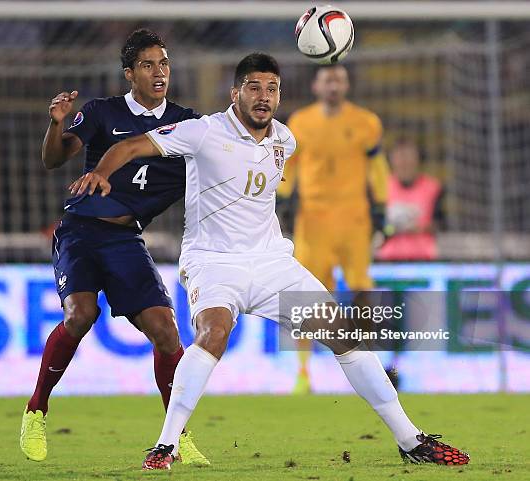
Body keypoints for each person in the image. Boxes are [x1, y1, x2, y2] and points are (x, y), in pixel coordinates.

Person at [69, 53, 469, 470]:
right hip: (214, 262)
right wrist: (101, 173)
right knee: (214, 332)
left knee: (343, 332)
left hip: (271, 264)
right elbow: (131, 144)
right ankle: (166, 445)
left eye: (272, 88)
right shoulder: (203, 131)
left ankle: (410, 439)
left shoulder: (285, 140)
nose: (264, 97)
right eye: (254, 88)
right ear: (235, 93)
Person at [20, 29, 209, 466]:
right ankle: (36, 410)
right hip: (81, 230)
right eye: (148, 65)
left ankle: (176, 435)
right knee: (80, 314)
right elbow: (53, 159)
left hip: (126, 238)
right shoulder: (102, 112)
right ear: (130, 74)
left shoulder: (187, 122)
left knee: (166, 331)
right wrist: (55, 124)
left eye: (163, 63)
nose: (159, 72)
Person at [277, 64, 390, 394]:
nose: (334, 85)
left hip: (354, 219)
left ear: (347, 85)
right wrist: (283, 201)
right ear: (316, 85)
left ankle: (367, 367)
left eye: (339, 79)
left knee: (360, 290)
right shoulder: (300, 122)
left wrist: (382, 207)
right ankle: (302, 372)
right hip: (312, 221)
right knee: (307, 296)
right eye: (328, 79)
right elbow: (289, 166)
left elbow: (377, 167)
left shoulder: (366, 122)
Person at [377, 138, 444, 261]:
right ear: (392, 161)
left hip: (424, 259)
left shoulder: (433, 188)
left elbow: (441, 224)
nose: (404, 162)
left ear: (417, 159)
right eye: (399, 157)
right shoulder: (382, 188)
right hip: (388, 260)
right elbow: (377, 225)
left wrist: (417, 228)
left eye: (409, 157)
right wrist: (392, 229)